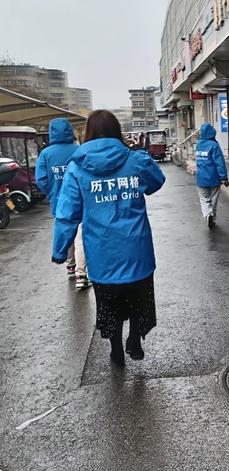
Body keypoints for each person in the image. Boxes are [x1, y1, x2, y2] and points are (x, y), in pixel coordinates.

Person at [52, 110, 166, 366]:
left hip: (102, 254)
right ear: (117, 132)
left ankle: (116, 348)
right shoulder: (134, 160)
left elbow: (67, 214)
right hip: (137, 249)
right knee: (139, 298)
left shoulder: (76, 167)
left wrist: (60, 251)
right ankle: (134, 340)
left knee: (110, 305)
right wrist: (142, 155)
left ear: (88, 133)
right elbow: (157, 182)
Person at [35, 118, 91, 289]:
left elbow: (41, 179)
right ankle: (81, 275)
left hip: (59, 201)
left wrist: (52, 192)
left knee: (64, 228)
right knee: (81, 236)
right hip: (81, 200)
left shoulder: (46, 154)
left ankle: (70, 264)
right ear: (69, 131)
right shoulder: (79, 149)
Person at [195, 123, 229, 228]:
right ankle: (212, 217)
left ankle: (208, 214)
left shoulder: (198, 144)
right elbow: (219, 163)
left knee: (204, 199)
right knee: (213, 199)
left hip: (201, 178)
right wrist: (224, 178)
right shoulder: (214, 145)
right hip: (214, 177)